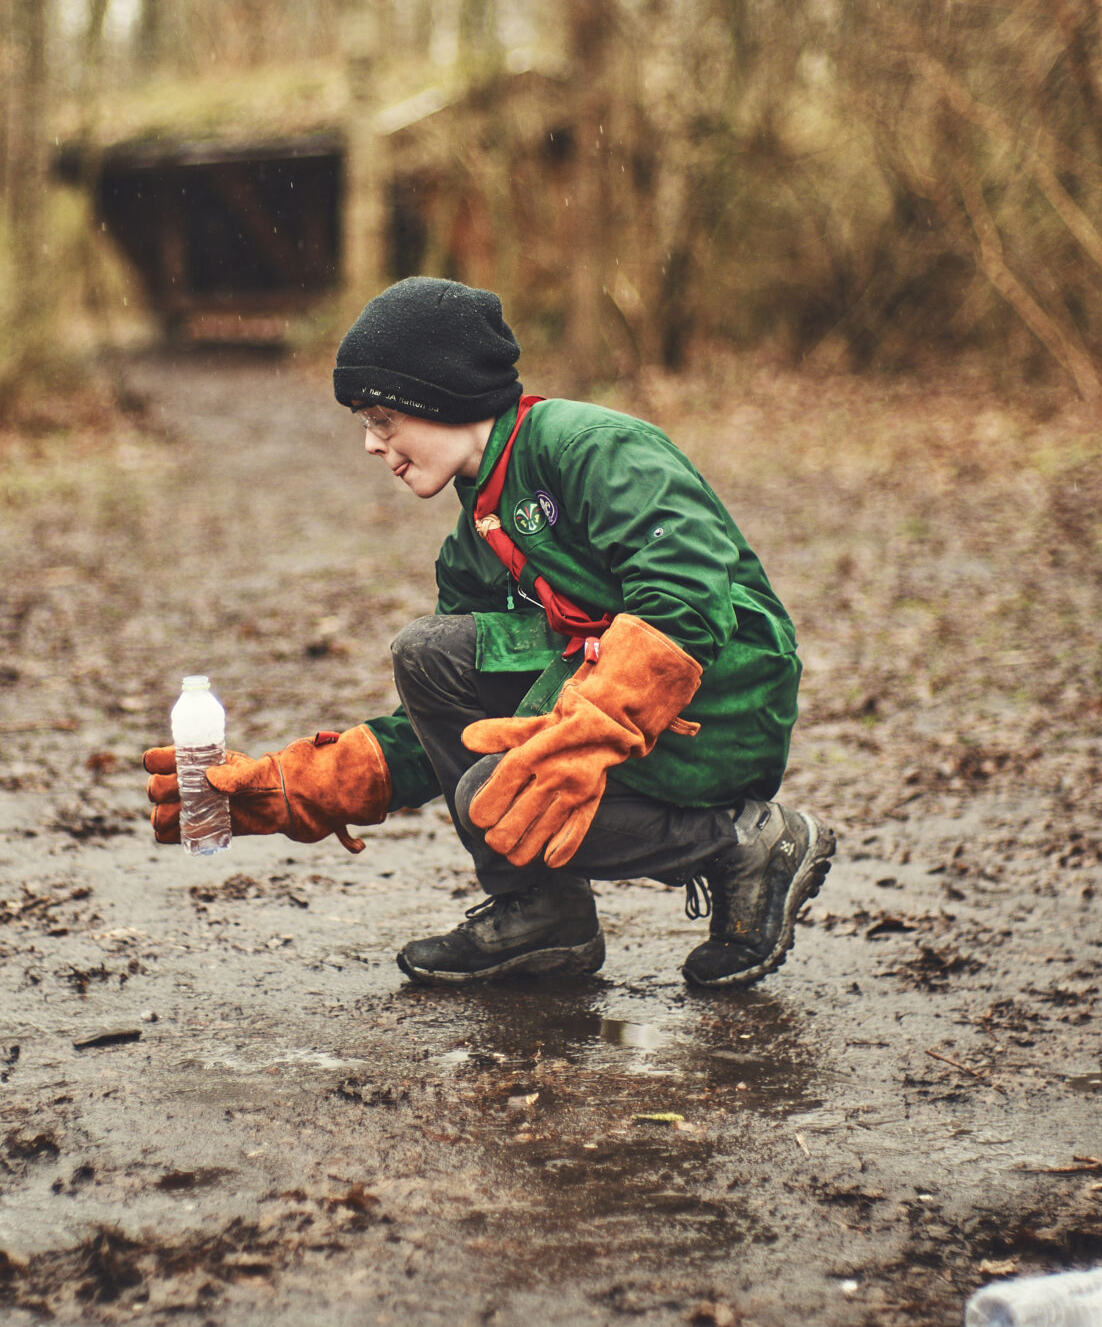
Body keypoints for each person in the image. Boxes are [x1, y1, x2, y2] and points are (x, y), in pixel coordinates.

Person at [142, 277, 834, 988]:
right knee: (430, 654)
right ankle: (544, 913)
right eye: (363, 422)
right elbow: (447, 730)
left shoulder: (592, 446)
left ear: (438, 396)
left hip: (722, 697)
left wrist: (586, 730)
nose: (371, 445)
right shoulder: (478, 534)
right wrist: (305, 787)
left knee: (489, 791)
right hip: (608, 697)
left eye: (382, 418)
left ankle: (747, 843)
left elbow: (687, 597)